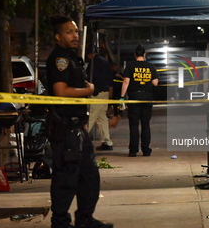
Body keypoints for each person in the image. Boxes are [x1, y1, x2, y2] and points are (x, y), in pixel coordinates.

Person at [46, 15, 113, 228]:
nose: (75, 35)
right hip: (65, 130)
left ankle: (85, 219)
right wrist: (88, 90)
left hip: (77, 127)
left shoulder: (73, 58)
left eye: (76, 31)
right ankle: (60, 222)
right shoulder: (60, 60)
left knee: (89, 178)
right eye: (69, 32)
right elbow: (61, 91)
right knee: (66, 180)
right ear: (58, 37)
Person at [120, 44, 159, 157]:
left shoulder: (130, 66)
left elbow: (126, 82)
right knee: (145, 124)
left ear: (135, 55)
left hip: (134, 98)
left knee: (134, 124)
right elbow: (155, 83)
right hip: (147, 98)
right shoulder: (150, 66)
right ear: (145, 54)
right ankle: (146, 150)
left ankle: (133, 151)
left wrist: (122, 97)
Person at [86, 49, 114, 151]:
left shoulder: (93, 63)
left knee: (91, 116)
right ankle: (107, 142)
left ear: (89, 54)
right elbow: (110, 77)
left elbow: (89, 77)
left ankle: (81, 139)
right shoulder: (105, 61)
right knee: (101, 117)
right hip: (105, 92)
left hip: (96, 92)